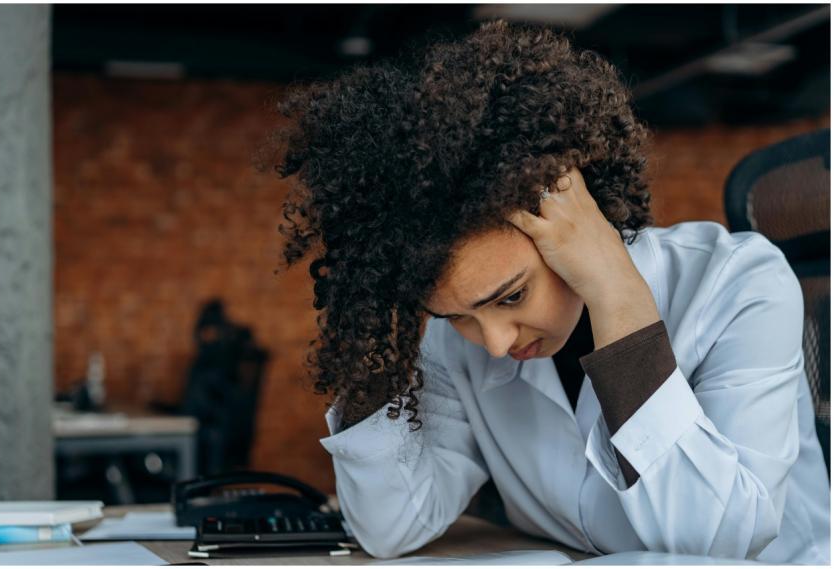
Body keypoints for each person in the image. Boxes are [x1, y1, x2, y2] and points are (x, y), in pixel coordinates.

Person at [271, 20, 829, 563]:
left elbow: (718, 548)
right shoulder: (458, 337)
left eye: (511, 296)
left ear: (576, 215)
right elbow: (391, 526)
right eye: (454, 315)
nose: (493, 343)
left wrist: (616, 290)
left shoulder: (738, 283)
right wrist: (373, 347)